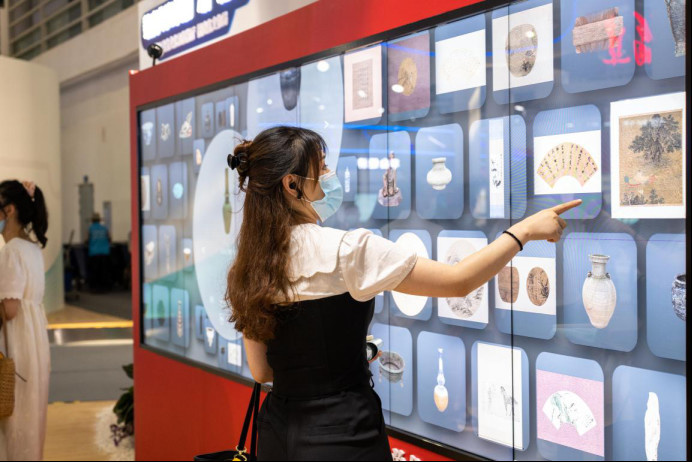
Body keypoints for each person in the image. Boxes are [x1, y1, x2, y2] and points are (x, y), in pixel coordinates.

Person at [225, 126, 581, 461]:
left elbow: (261, 370)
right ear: (291, 184)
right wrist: (524, 231)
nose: (328, 176)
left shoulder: (248, 265)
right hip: (342, 435)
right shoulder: (345, 250)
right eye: (321, 168)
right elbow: (457, 281)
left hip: (277, 433)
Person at [0, 180, 51, 460]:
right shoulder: (33, 249)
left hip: (15, 345)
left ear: (9, 210)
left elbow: (9, 309)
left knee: (13, 422)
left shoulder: (11, 251)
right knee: (32, 418)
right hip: (34, 343)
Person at [86, 212, 111, 292]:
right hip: (104, 252)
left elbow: (86, 239)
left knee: (94, 271)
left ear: (92, 220)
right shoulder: (105, 228)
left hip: (94, 253)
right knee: (104, 271)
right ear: (99, 220)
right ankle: (105, 287)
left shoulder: (90, 228)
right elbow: (110, 238)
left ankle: (94, 288)